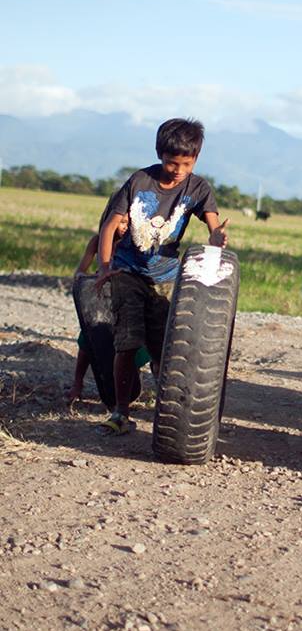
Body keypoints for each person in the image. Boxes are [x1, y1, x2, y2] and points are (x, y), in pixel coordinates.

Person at [96, 118, 229, 434]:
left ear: (196, 159)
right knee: (127, 342)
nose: (179, 169)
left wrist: (218, 237)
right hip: (127, 271)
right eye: (172, 162)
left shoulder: (198, 187)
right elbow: (110, 227)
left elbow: (213, 228)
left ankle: (168, 410)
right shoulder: (140, 181)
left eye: (187, 163)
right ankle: (120, 411)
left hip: (167, 277)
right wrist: (105, 267)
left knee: (166, 347)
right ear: (160, 154)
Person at [65, 207, 150, 404]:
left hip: (126, 299)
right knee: (87, 340)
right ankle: (77, 383)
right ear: (108, 222)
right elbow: (80, 271)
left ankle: (129, 385)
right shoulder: (97, 242)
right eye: (120, 222)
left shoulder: (134, 246)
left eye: (128, 223)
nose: (123, 228)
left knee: (132, 344)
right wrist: (85, 279)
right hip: (100, 300)